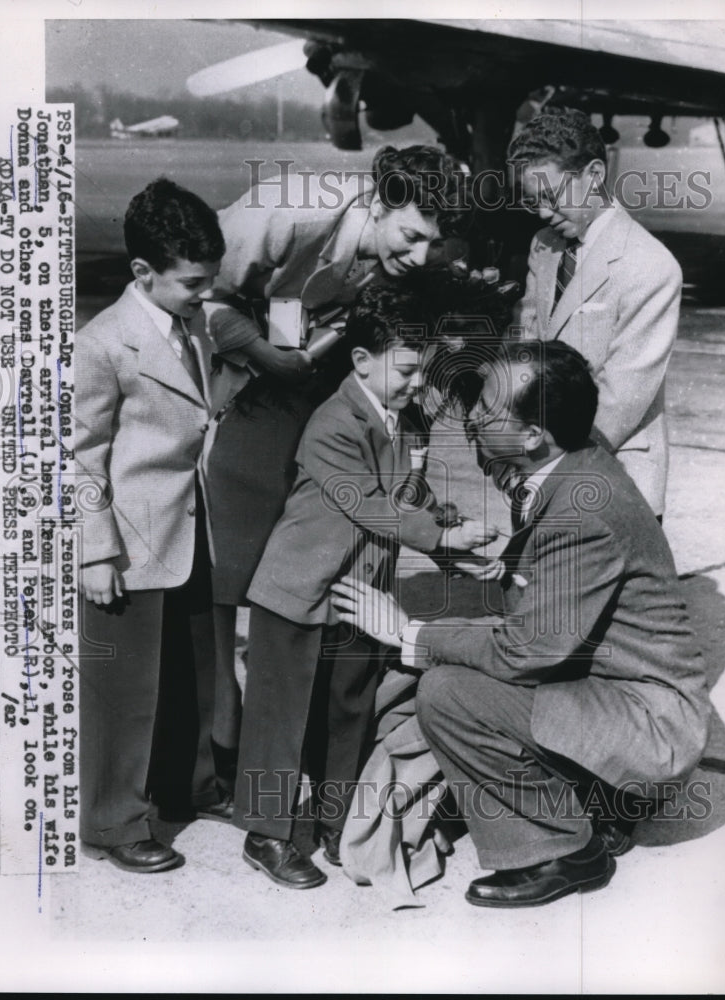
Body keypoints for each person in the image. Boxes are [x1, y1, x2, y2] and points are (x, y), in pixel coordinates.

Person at [332, 339, 711, 908]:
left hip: (648, 727)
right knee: (459, 641)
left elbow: (526, 649)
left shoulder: (582, 510)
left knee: (448, 693)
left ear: (534, 436)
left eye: (486, 410)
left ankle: (564, 848)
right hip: (610, 688)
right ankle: (598, 793)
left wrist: (406, 633)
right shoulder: (569, 456)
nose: (473, 419)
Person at [205, 145, 476, 800]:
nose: (417, 255)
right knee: (225, 583)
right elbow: (197, 293)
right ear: (378, 203)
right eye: (409, 235)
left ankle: (302, 751)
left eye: (430, 243)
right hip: (243, 392)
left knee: (312, 567)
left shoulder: (400, 252)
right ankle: (211, 758)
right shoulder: (288, 210)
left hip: (310, 389)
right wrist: (264, 358)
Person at [234, 284, 497, 890]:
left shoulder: (401, 420)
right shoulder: (332, 422)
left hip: (360, 594)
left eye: (419, 371)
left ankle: (336, 823)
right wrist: (441, 539)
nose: (414, 383)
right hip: (297, 592)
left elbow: (408, 495)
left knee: (348, 709)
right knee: (282, 720)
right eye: (405, 370)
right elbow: (368, 505)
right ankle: (265, 833)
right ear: (361, 362)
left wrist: (455, 523)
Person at [75, 178, 234, 873]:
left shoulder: (188, 323)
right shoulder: (103, 343)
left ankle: (189, 786)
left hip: (189, 529)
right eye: (193, 282)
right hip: (128, 542)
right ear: (143, 273)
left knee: (195, 675)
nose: (205, 294)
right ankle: (113, 820)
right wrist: (94, 552)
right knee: (125, 690)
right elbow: (79, 459)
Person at [509, 107, 683, 518]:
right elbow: (529, 344)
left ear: (594, 175)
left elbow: (622, 396)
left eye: (551, 197)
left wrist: (547, 466)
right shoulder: (545, 245)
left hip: (611, 472)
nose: (542, 213)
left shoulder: (650, 265)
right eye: (533, 200)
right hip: (539, 464)